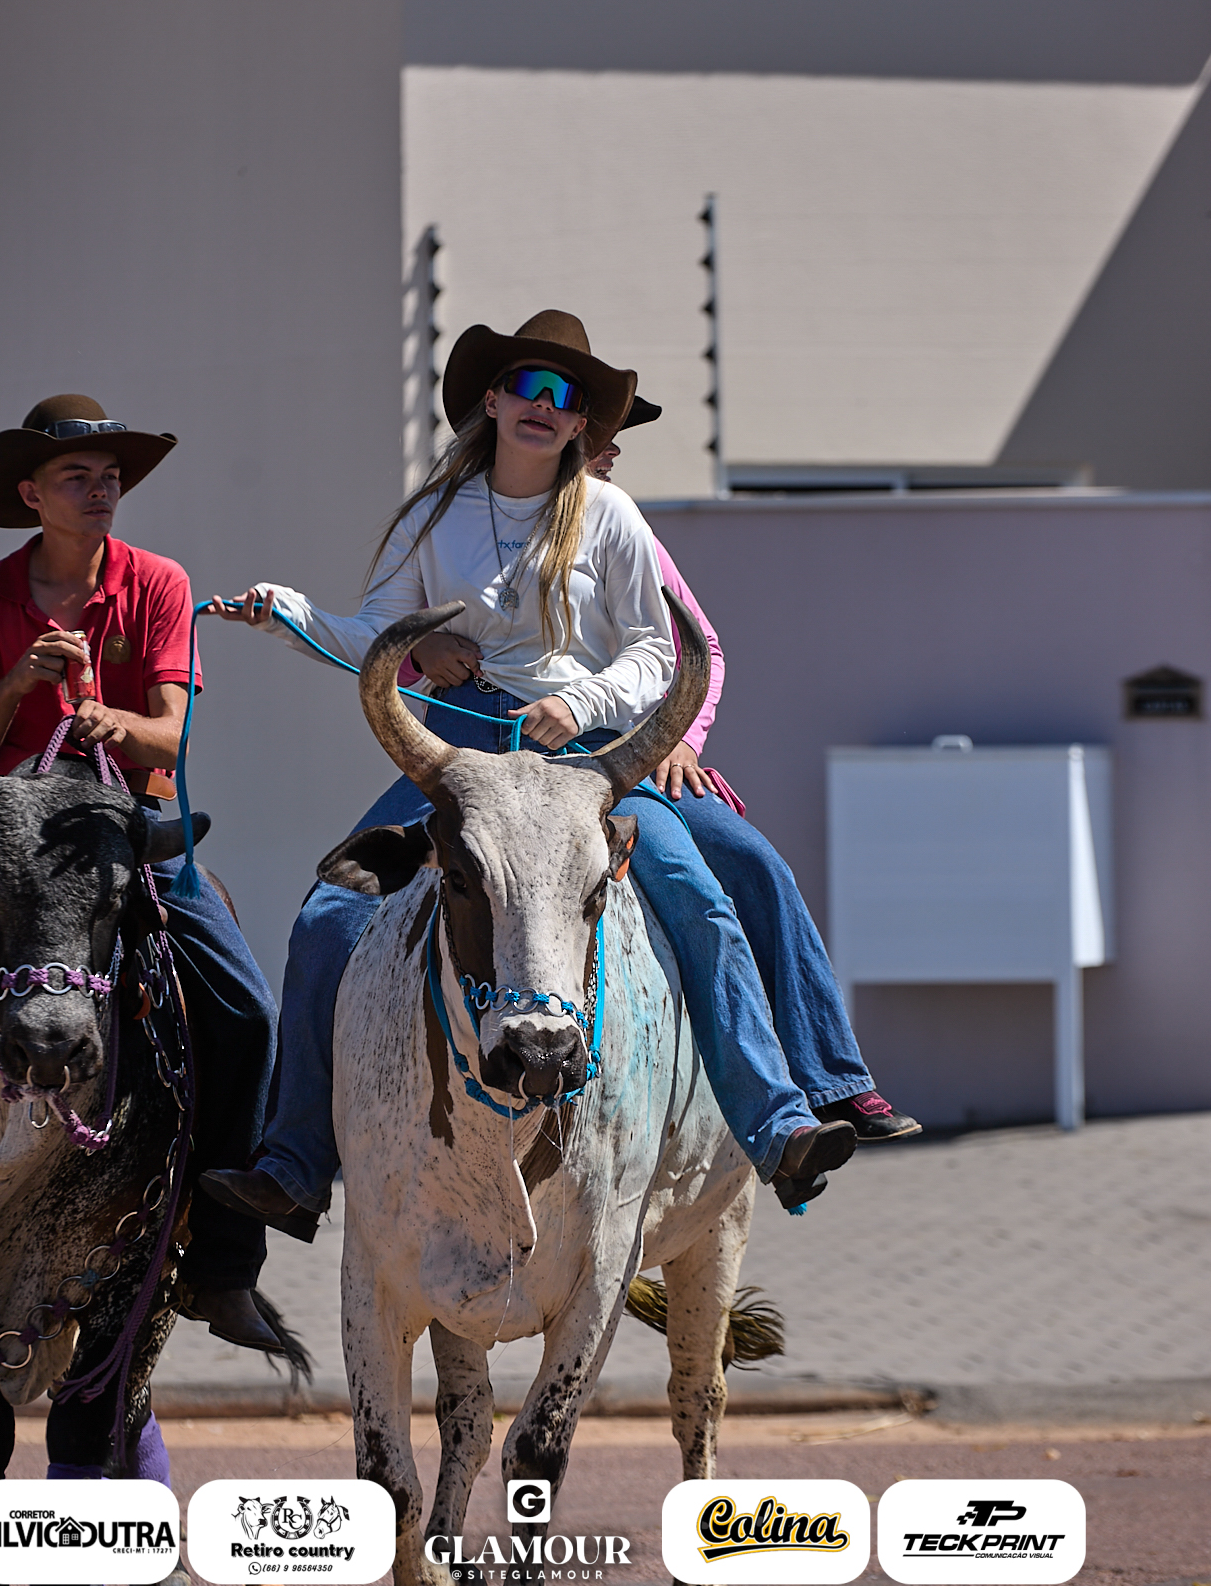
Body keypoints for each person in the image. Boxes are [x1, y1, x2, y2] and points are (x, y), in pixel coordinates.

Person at [199, 310, 859, 1237]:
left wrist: (581, 704)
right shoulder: (432, 516)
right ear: (493, 400)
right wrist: (286, 612)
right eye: (528, 386)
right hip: (463, 754)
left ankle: (779, 1124)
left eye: (566, 396)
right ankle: (296, 1161)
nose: (544, 405)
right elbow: (375, 639)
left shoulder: (609, 513)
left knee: (700, 899)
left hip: (582, 761)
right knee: (329, 915)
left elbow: (656, 649)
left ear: (583, 423)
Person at [0, 394, 280, 1350]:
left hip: (116, 827)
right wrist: (20, 683)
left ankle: (223, 1266)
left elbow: (171, 735)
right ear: (31, 495)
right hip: (2, 837)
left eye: (110, 476)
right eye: (77, 476)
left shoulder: (157, 582)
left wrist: (112, 724)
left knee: (248, 1011)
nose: (101, 490)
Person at [393, 396, 919, 1142]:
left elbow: (695, 647)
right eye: (602, 437)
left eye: (607, 437)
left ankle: (829, 1081)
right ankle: (302, 1147)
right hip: (478, 755)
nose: (608, 451)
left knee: (753, 866)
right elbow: (392, 639)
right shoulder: (452, 522)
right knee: (340, 904)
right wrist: (418, 652)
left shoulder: (618, 524)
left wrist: (683, 740)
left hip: (610, 757)